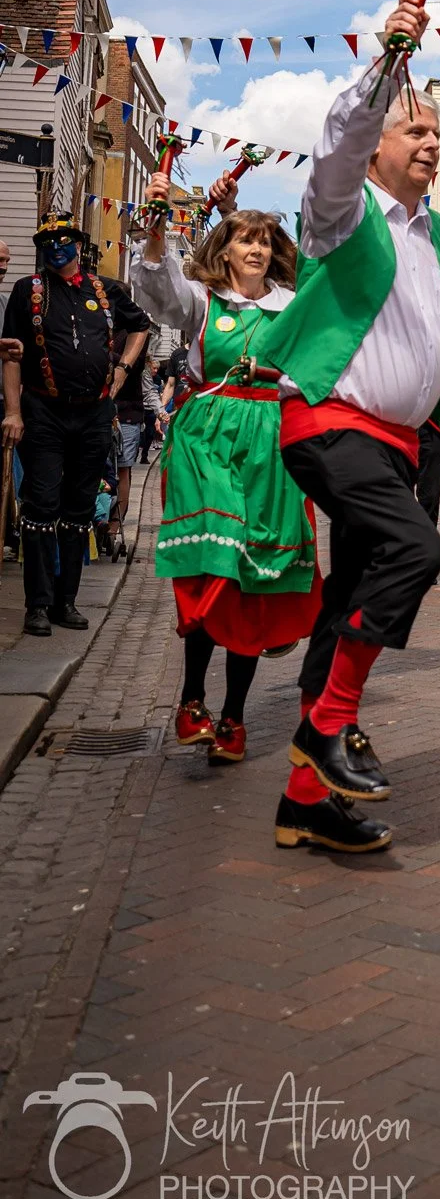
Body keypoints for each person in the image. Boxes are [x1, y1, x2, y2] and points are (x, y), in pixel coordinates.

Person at [257, 0, 440, 857]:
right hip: (330, 424)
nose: (430, 143)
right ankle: (327, 730)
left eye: (436, 133)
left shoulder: (432, 236)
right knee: (417, 552)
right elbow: (337, 143)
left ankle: (307, 799)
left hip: (396, 441)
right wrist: (386, 62)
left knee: (351, 598)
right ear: (379, 142)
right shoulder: (343, 215)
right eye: (413, 130)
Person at [133, 175, 320, 766]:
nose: (257, 249)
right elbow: (158, 289)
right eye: (245, 240)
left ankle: (233, 716)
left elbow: (316, 367)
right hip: (208, 440)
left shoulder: (290, 307)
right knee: (216, 558)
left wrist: (280, 382)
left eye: (265, 241)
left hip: (269, 443)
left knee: (253, 579)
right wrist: (157, 225)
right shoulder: (202, 301)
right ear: (226, 251)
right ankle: (192, 698)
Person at [2, 216, 151, 637]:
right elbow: (11, 355)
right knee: (40, 506)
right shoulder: (27, 291)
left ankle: (66, 601)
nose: (56, 247)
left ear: (78, 244)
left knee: (79, 508)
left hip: (93, 415)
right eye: (48, 241)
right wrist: (12, 412)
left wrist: (122, 369)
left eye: (64, 239)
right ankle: (37, 604)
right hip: (43, 411)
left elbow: (141, 325)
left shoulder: (105, 290)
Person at [109, 323, 165, 551]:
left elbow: (147, 386)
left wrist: (159, 410)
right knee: (123, 470)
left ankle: (106, 523)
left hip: (116, 414)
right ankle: (113, 526)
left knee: (111, 468)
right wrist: (159, 409)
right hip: (127, 415)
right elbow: (147, 387)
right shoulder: (138, 341)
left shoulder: (99, 332)